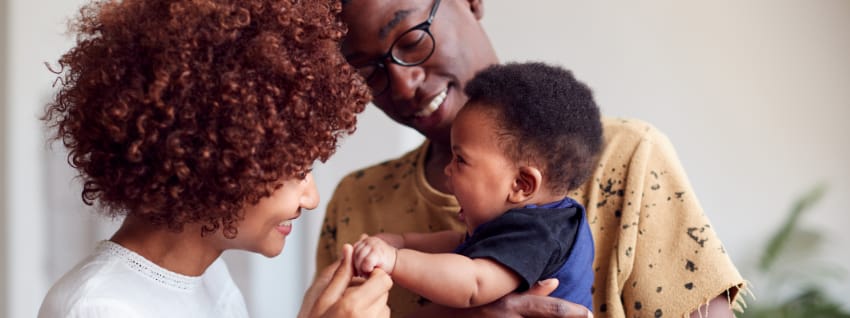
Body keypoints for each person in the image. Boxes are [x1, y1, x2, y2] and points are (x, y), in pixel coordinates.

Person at [316, 0, 748, 317]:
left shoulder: (627, 157)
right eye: (367, 69)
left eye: (411, 39)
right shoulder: (356, 200)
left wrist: (399, 261)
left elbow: (473, 277)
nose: (403, 82)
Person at [37, 0, 391, 317]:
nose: (311, 199)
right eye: (298, 169)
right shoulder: (99, 308)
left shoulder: (210, 279)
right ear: (210, 157)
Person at [350, 62, 600, 311]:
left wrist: (394, 260)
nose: (448, 168)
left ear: (521, 184)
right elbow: (459, 244)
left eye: (461, 159)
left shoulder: (539, 233)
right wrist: (403, 241)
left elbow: (473, 284)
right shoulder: (537, 222)